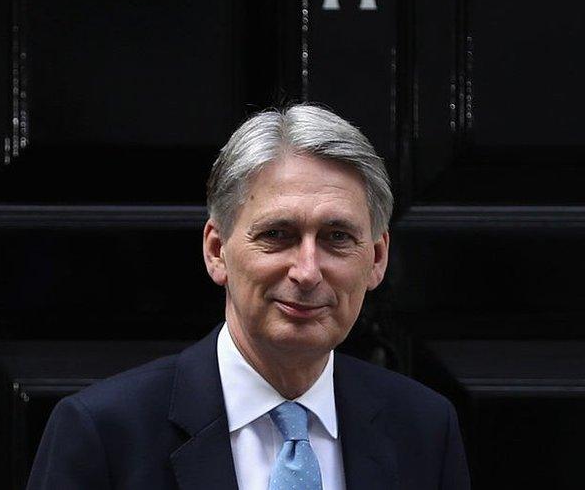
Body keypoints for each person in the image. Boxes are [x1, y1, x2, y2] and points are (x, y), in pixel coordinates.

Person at [27, 104, 470, 489]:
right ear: (217, 251)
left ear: (376, 258)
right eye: (277, 235)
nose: (307, 271)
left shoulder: (424, 428)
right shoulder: (105, 434)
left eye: (337, 237)